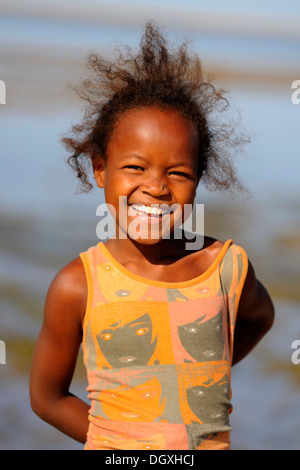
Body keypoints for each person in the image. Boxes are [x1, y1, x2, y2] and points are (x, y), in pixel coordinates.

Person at [30, 22, 274, 450]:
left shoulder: (227, 268)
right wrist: (127, 444)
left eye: (177, 172)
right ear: (100, 168)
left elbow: (260, 317)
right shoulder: (77, 285)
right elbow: (46, 398)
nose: (157, 187)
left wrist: (206, 372)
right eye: (136, 167)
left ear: (198, 178)